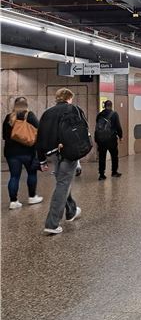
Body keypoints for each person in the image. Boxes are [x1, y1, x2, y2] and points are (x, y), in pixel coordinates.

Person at [36, 88, 84, 235]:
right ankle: (52, 223)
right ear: (69, 98)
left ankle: (71, 211)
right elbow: (80, 131)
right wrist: (80, 153)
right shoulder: (73, 109)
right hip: (68, 153)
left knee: (62, 182)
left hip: (52, 153)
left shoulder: (47, 113)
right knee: (63, 184)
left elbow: (40, 137)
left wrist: (41, 160)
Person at [2, 97, 43, 209]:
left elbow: (4, 136)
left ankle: (13, 201)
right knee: (32, 173)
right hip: (28, 152)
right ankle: (32, 197)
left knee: (14, 176)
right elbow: (39, 132)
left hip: (11, 153)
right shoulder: (30, 116)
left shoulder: (8, 117)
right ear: (26, 105)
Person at [95, 100, 123, 181]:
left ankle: (101, 175)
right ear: (111, 106)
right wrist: (120, 136)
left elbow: (97, 127)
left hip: (101, 140)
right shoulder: (114, 114)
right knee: (114, 156)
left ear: (104, 106)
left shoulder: (99, 114)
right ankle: (114, 172)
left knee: (102, 157)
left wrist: (97, 139)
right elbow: (118, 126)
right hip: (111, 139)